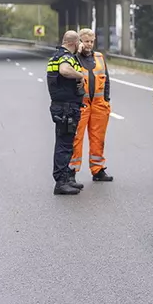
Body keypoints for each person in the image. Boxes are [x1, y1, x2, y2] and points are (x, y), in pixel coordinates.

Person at [69, 28, 114, 184]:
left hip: (99, 105)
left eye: (91, 41)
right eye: (86, 41)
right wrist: (77, 53)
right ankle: (71, 172)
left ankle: (98, 170)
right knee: (76, 139)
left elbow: (106, 80)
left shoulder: (99, 57)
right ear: (79, 42)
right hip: (81, 104)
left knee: (98, 138)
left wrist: (106, 99)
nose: (89, 44)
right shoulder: (74, 58)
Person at [47, 31, 86, 195]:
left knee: (65, 143)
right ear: (74, 43)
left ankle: (64, 178)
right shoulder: (66, 57)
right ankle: (61, 182)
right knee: (64, 145)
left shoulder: (56, 56)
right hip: (66, 108)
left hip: (63, 106)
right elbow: (64, 70)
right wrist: (80, 75)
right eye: (79, 43)